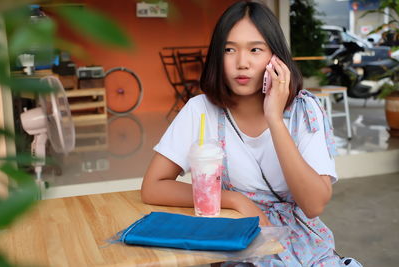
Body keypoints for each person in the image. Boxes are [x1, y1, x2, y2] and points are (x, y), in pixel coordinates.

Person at [142, 1, 361, 266]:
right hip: (239, 242)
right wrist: (235, 200)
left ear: (276, 58)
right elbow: (153, 187)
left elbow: (313, 205)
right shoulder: (200, 110)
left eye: (255, 49)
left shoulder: (304, 110)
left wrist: (275, 119)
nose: (241, 63)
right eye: (229, 49)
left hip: (307, 249)